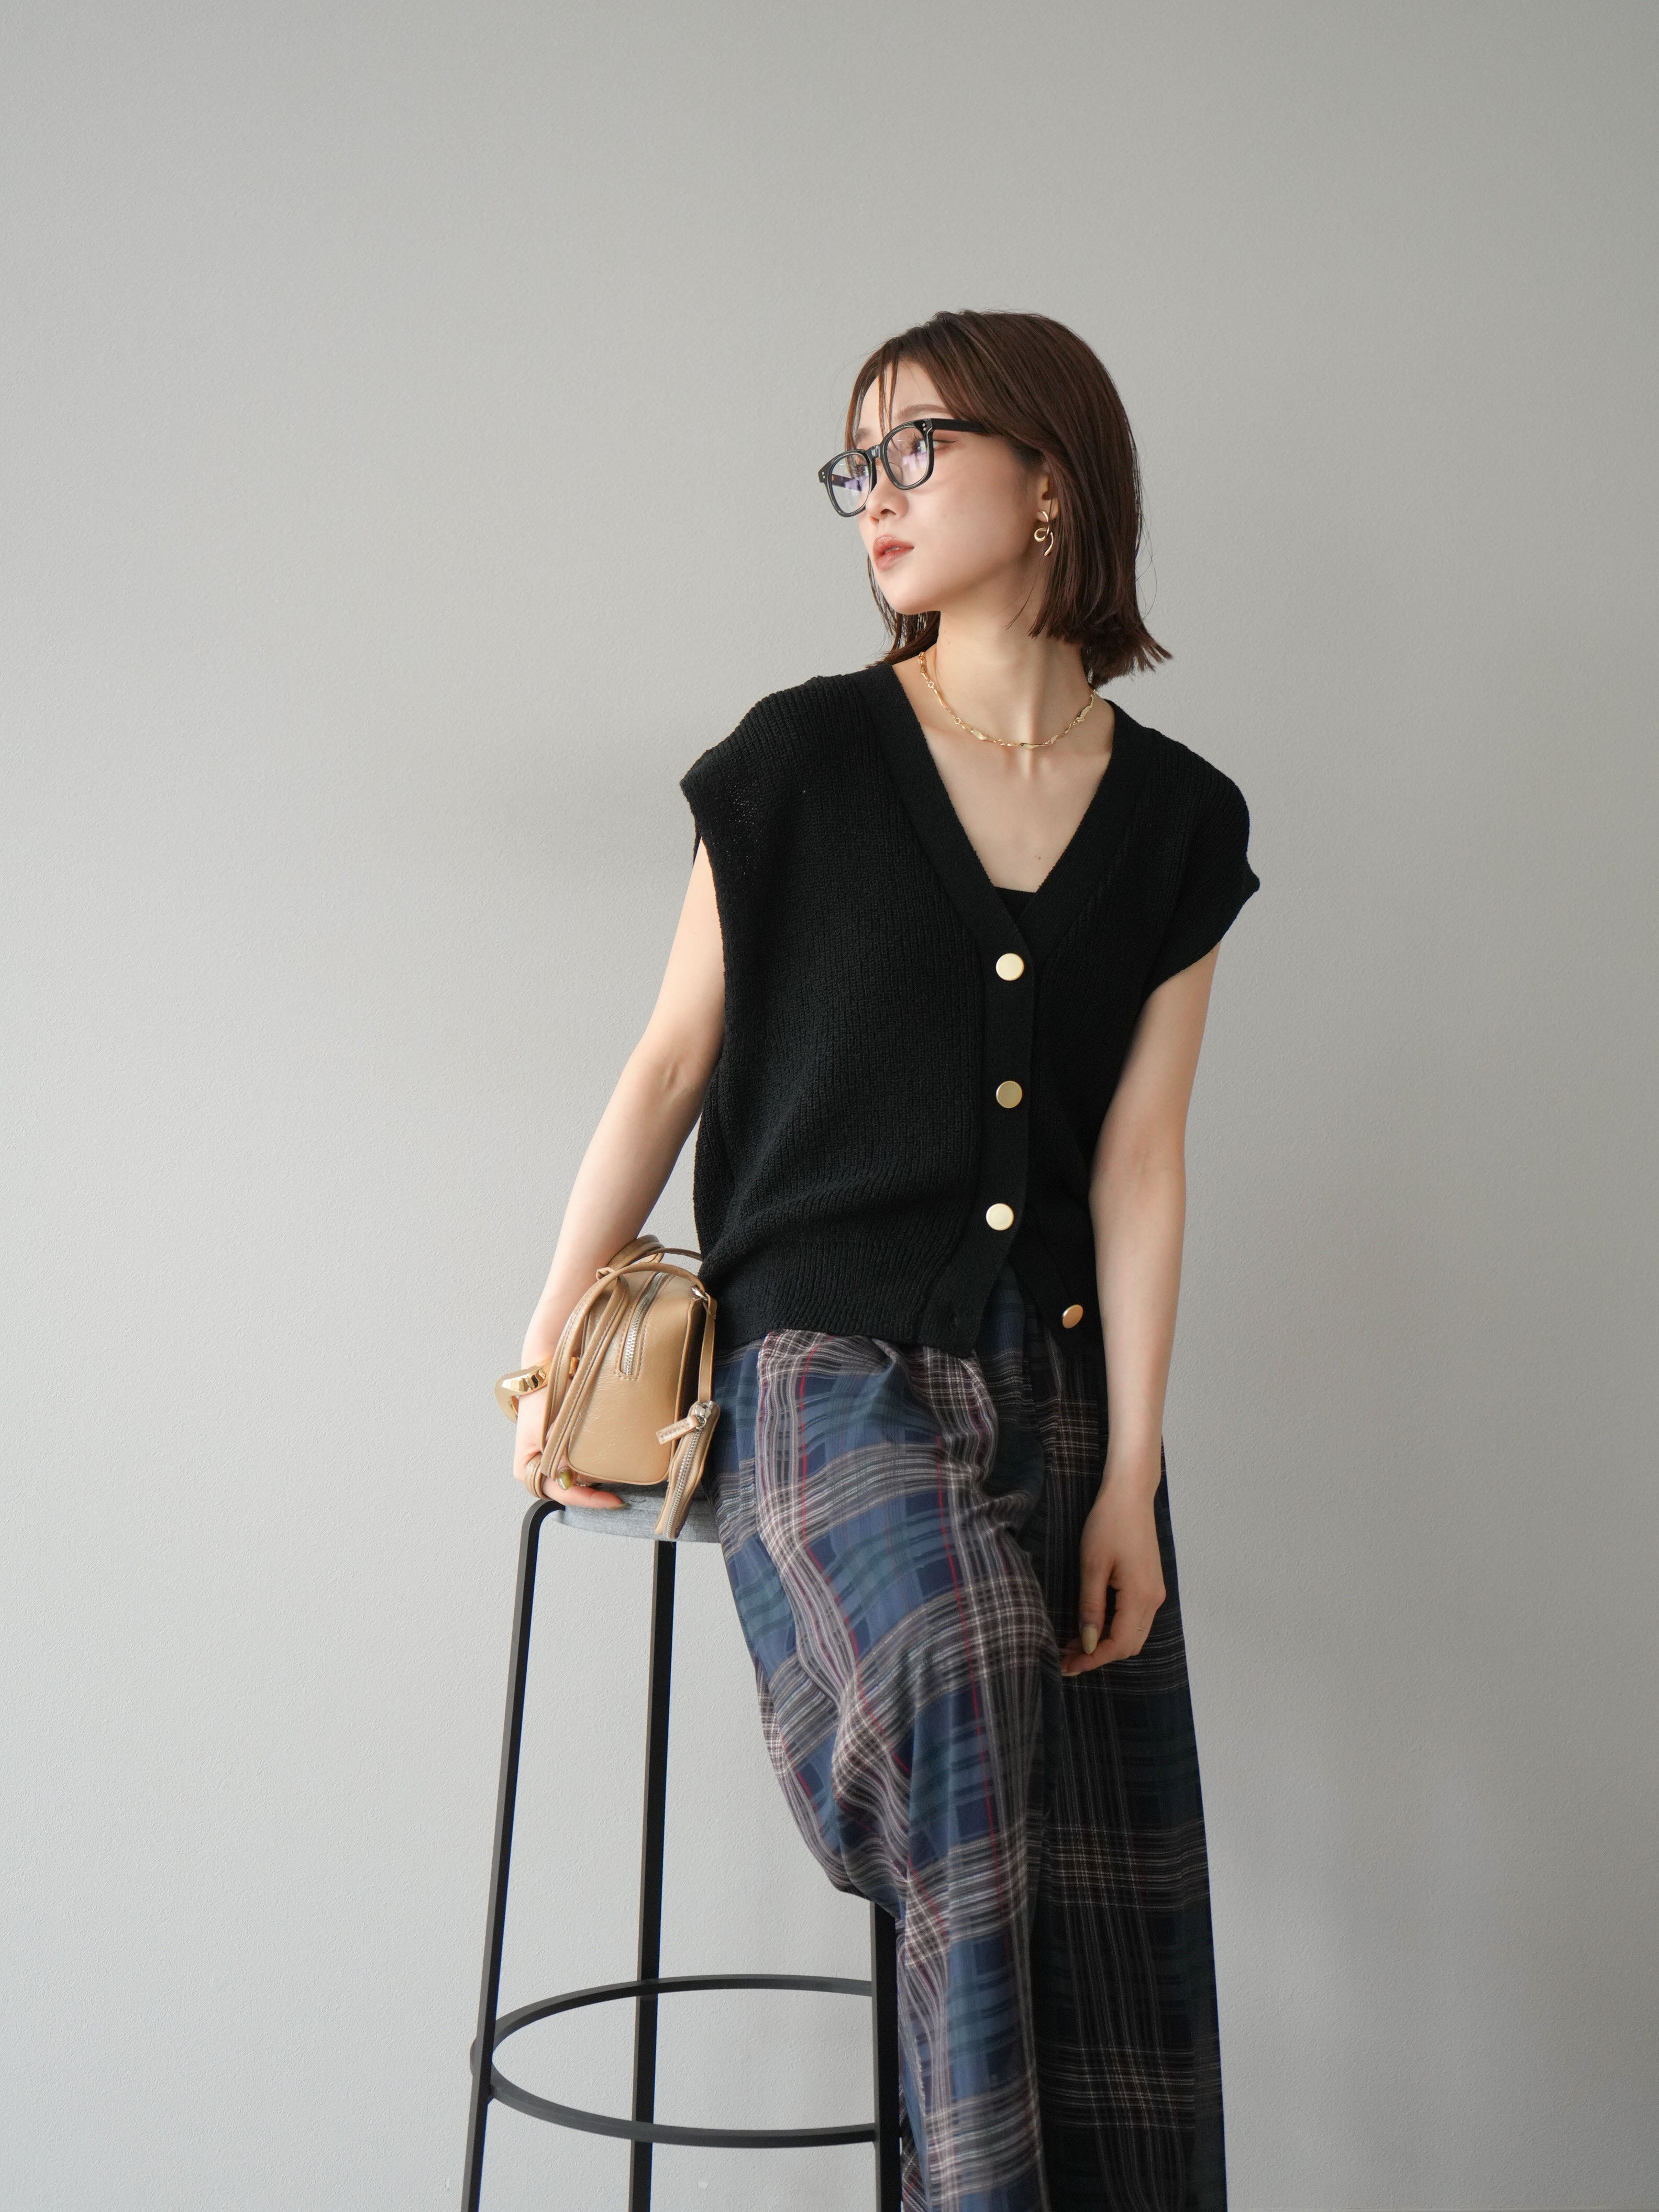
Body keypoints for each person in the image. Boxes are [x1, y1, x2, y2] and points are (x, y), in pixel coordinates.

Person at [510, 308, 1260, 2212]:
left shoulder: (1180, 821)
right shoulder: (805, 762)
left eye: (916, 447)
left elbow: (1142, 1160)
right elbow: (668, 1063)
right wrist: (551, 1340)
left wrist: (1134, 1473)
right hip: (820, 1378)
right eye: (857, 463)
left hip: (1056, 1386)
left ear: (1052, 481)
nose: (876, 496)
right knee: (966, 1667)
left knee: (1110, 1915)